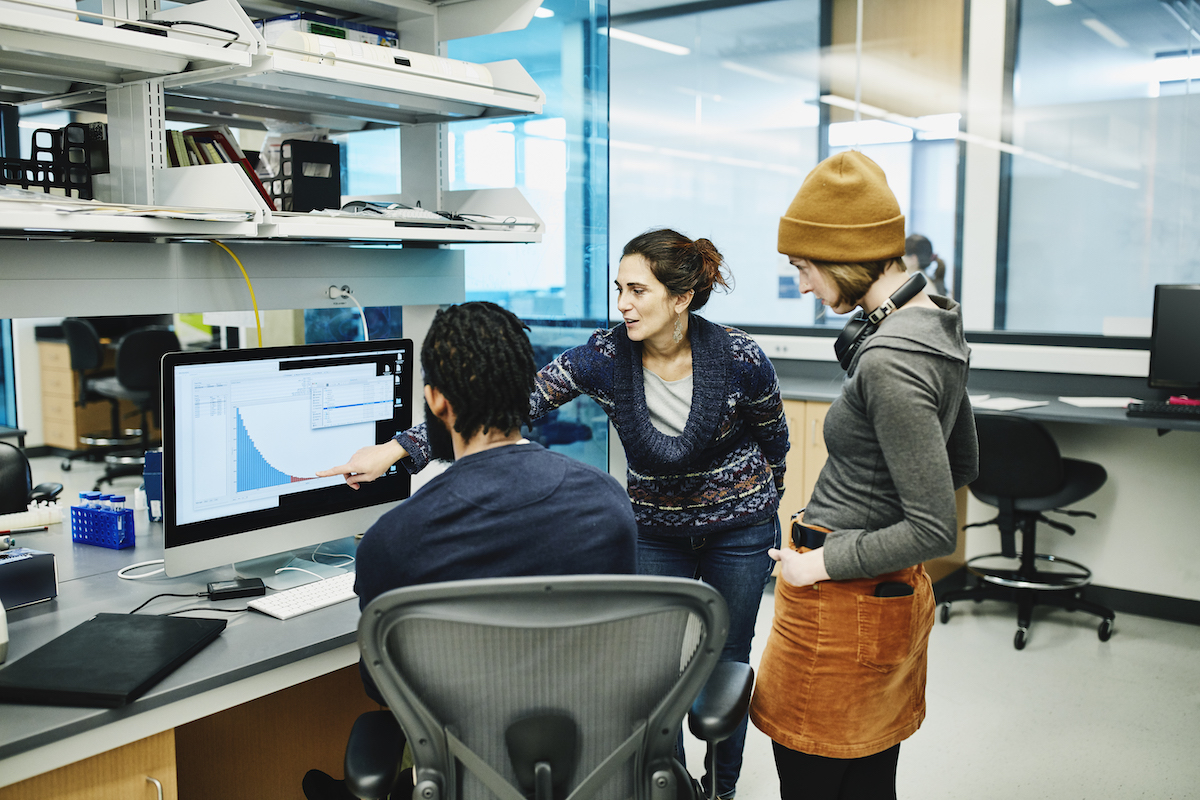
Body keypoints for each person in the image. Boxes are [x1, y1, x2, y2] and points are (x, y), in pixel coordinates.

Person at [319, 229, 790, 800]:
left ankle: (719, 790)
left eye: (638, 291)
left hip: (739, 526)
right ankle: (664, 776)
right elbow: (513, 399)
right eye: (620, 289)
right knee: (653, 666)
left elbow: (774, 440)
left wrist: (764, 505)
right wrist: (399, 449)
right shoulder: (607, 355)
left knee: (724, 660)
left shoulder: (739, 357)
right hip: (654, 524)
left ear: (681, 298)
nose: (623, 303)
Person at [303, 301, 638, 800]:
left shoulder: (394, 540)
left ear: (437, 400)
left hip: (470, 775)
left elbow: (383, 688)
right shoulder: (608, 504)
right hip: (595, 767)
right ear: (528, 391)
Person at [749, 151, 978, 800]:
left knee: (814, 775)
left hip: (839, 606)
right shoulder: (937, 322)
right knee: (865, 777)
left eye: (803, 267)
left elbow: (935, 525)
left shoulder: (891, 358)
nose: (800, 285)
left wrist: (813, 567)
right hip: (871, 600)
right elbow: (962, 464)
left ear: (844, 256)